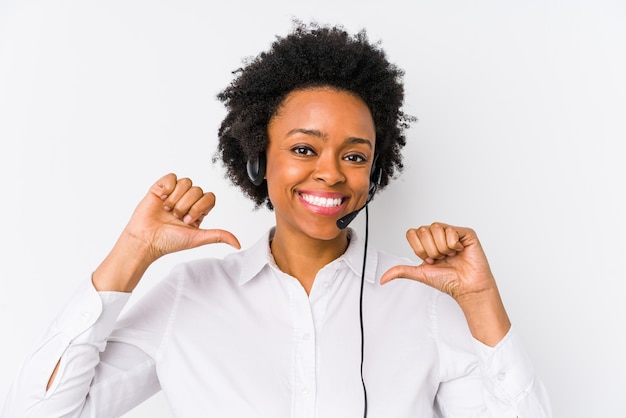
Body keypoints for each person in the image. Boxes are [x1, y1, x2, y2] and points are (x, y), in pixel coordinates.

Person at [2, 21, 552, 417]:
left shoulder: (421, 302)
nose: (332, 173)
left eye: (355, 156)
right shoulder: (187, 296)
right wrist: (132, 254)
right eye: (305, 149)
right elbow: (41, 411)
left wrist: (480, 302)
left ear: (375, 174)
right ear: (258, 159)